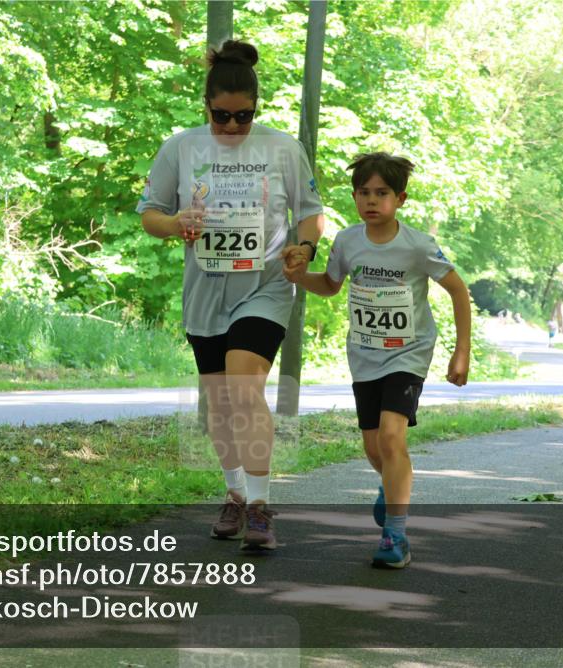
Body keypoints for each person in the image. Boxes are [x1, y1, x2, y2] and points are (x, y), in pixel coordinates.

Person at [138, 40, 324, 551]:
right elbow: (150, 213)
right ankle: (236, 494)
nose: (233, 127)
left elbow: (311, 212)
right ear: (206, 105)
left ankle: (262, 508)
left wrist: (303, 248)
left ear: (256, 109)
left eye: (244, 117)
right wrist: (176, 223)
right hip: (205, 292)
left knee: (245, 390)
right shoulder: (181, 147)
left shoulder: (283, 148)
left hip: (265, 286)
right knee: (219, 404)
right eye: (222, 116)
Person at [283, 152, 471, 568]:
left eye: (381, 193)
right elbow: (331, 285)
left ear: (400, 198)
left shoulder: (418, 245)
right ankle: (391, 488)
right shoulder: (348, 241)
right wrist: (300, 278)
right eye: (363, 193)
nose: (372, 201)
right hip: (365, 354)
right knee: (373, 447)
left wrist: (462, 351)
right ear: (354, 197)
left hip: (409, 352)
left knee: (391, 437)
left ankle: (396, 537)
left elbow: (458, 290)